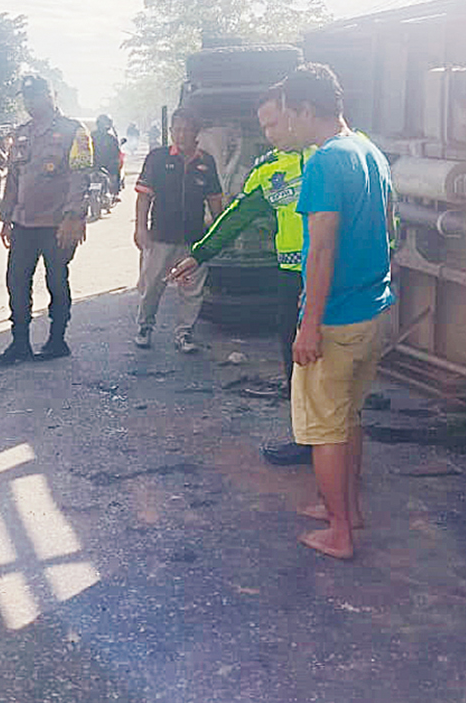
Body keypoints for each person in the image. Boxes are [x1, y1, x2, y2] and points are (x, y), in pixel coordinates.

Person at [263, 63, 394, 560]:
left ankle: (339, 531)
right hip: (373, 310)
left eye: (287, 116)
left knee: (323, 430)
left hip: (336, 318)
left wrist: (308, 325)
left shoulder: (322, 163)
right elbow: (386, 227)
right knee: (348, 418)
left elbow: (320, 251)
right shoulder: (368, 151)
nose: (286, 127)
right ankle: (348, 509)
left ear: (305, 110)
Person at [169, 134, 311, 462]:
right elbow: (238, 215)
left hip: (336, 276)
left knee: (332, 363)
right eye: (264, 126)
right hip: (291, 275)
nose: (271, 132)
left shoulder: (333, 156)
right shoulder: (271, 169)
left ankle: (336, 447)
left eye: (275, 122)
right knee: (295, 358)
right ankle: (306, 438)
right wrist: (200, 254)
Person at [0, 75, 94, 365]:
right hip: (24, 223)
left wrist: (74, 217)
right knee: (16, 281)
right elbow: (12, 178)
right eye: (26, 97)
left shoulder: (74, 132)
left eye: (35, 96)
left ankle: (57, 340)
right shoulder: (22, 133)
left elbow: (80, 176)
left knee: (57, 281)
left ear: (51, 96)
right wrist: (6, 217)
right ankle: (20, 343)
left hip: (58, 225)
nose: (29, 102)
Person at [134, 108, 224, 353]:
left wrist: (219, 234)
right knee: (152, 285)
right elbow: (143, 198)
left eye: (187, 129)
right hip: (160, 237)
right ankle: (145, 326)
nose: (181, 135)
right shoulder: (157, 158)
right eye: (177, 129)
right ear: (171, 131)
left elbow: (215, 200)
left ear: (197, 133)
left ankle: (184, 333)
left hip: (194, 241)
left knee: (192, 290)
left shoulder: (206, 162)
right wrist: (140, 228)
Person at [91, 114, 123, 197]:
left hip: (96, 165)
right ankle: (116, 192)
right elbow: (117, 153)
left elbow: (117, 154)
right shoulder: (111, 138)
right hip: (100, 165)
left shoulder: (91, 136)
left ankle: (115, 192)